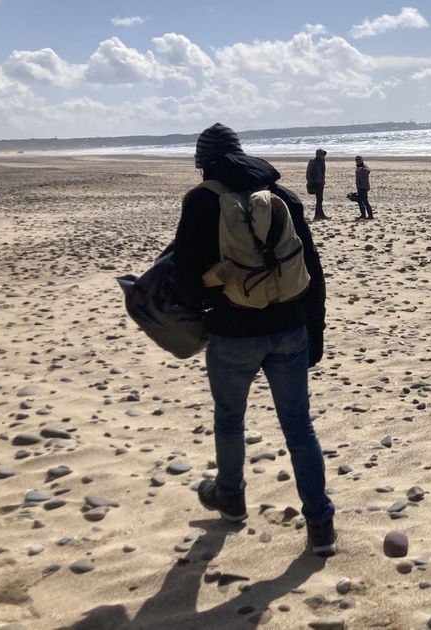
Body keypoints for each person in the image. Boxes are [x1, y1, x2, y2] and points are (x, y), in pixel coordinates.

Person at [172, 123, 335, 556]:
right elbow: (312, 270)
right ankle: (320, 525)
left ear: (203, 162)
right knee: (300, 427)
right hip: (289, 329)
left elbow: (184, 273)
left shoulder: (202, 201)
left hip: (232, 332)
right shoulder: (281, 196)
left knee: (229, 418)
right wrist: (315, 330)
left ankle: (232, 500)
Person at [306, 149, 327, 221]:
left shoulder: (322, 162)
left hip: (321, 183)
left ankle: (320, 214)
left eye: (323, 155)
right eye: (321, 154)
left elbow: (322, 173)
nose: (323, 156)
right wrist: (310, 182)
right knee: (319, 199)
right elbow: (308, 173)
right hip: (315, 183)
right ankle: (318, 215)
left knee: (320, 199)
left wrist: (323, 181)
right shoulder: (312, 162)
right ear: (318, 155)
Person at [354, 155, 373, 220]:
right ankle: (365, 215)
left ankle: (367, 215)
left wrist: (361, 169)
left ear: (362, 160)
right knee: (365, 201)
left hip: (364, 187)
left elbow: (368, 171)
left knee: (360, 200)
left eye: (359, 159)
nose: (358, 161)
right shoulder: (358, 167)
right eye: (357, 160)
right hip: (360, 187)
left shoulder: (364, 166)